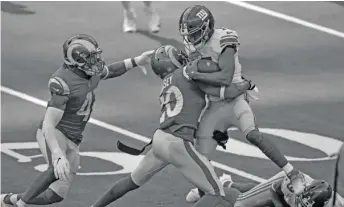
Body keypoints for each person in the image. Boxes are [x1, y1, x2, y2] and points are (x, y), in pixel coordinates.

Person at [1, 34, 154, 207]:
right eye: (89, 59)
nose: (95, 62)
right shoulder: (63, 81)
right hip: (55, 132)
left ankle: (8, 200)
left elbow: (110, 71)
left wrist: (137, 61)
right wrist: (57, 153)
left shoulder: (88, 72)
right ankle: (20, 205)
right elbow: (48, 124)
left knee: (55, 195)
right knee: (55, 170)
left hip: (73, 139)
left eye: (95, 56)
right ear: (75, 62)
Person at [89, 45, 252, 207]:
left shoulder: (167, 85)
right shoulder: (187, 74)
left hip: (161, 139)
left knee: (131, 181)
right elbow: (225, 90)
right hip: (177, 142)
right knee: (216, 193)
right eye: (178, 56)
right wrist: (246, 84)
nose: (182, 58)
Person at [178, 5, 307, 202]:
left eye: (195, 33)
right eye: (189, 34)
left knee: (253, 135)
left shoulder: (224, 40)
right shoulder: (193, 48)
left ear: (207, 27)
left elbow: (225, 76)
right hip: (215, 104)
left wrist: (195, 73)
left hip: (235, 101)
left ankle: (293, 173)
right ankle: (207, 187)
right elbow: (202, 85)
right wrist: (198, 77)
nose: (191, 39)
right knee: (200, 152)